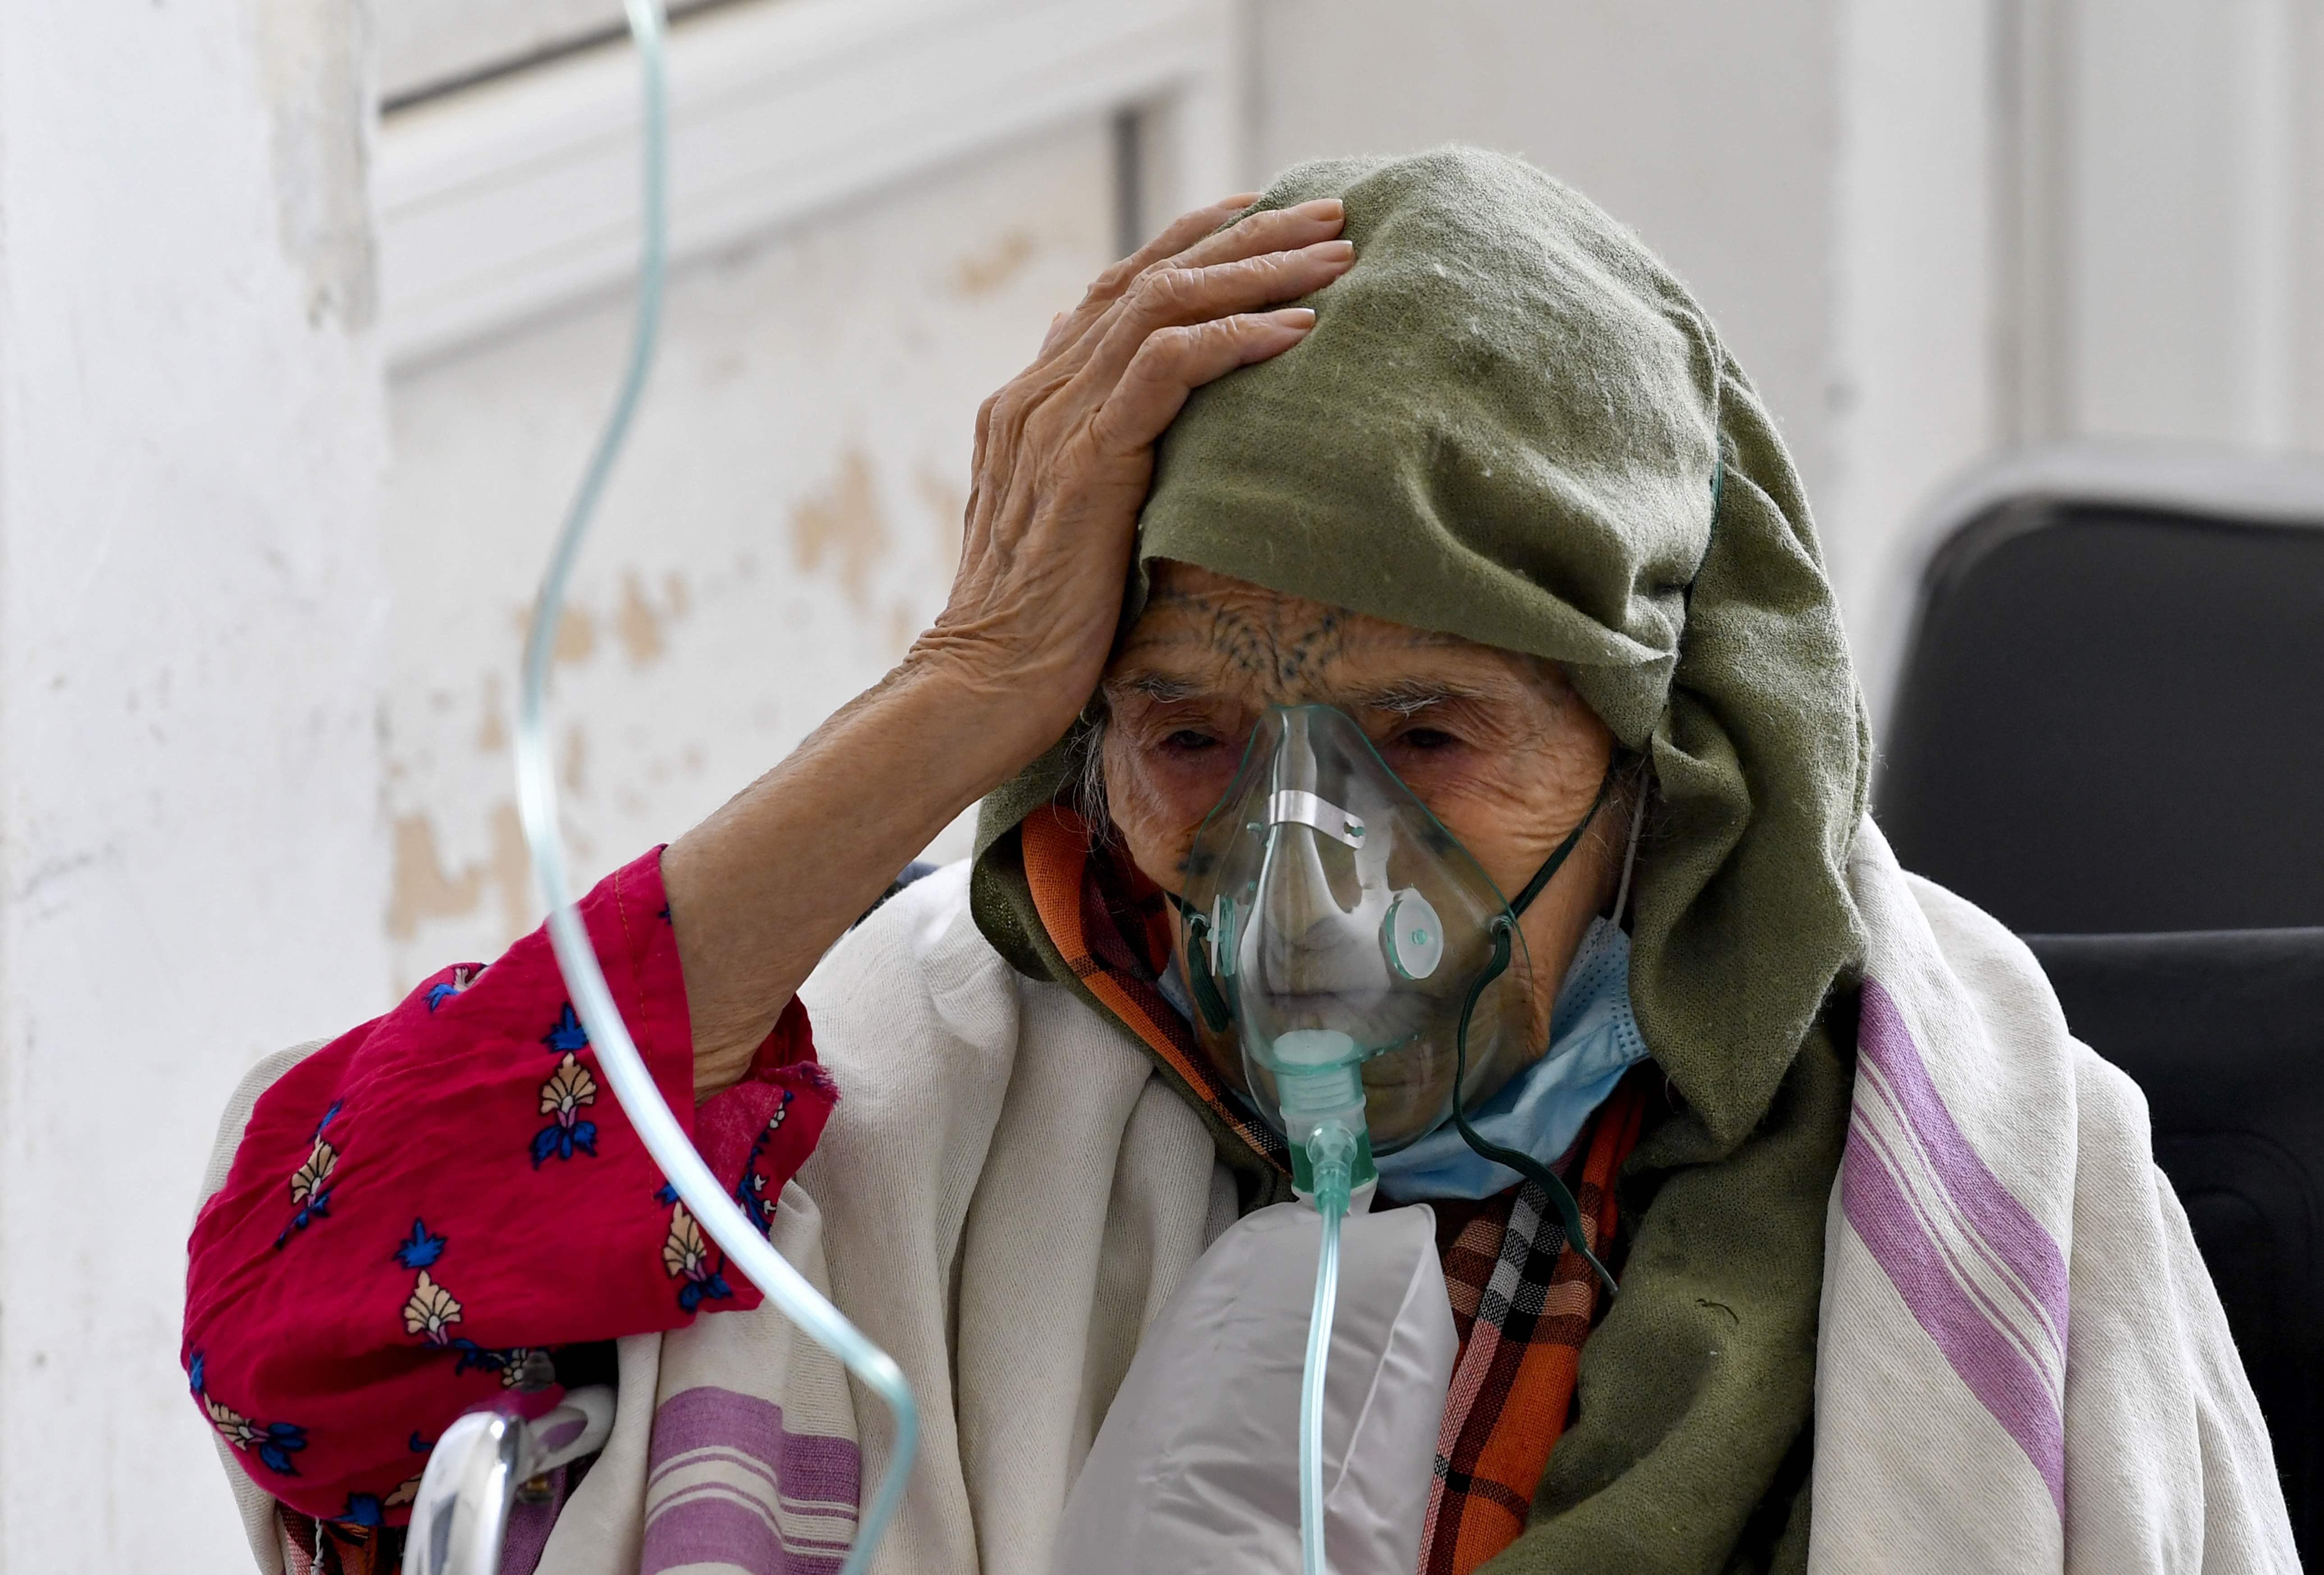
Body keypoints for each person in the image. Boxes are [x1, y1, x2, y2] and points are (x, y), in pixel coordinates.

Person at [185, 148, 2296, 1575]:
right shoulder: (891, 1107)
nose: (1305, 879)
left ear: (1663, 765)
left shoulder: (1997, 1186)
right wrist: (958, 685)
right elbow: (296, 1333)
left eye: (1426, 736)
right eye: (1189, 736)